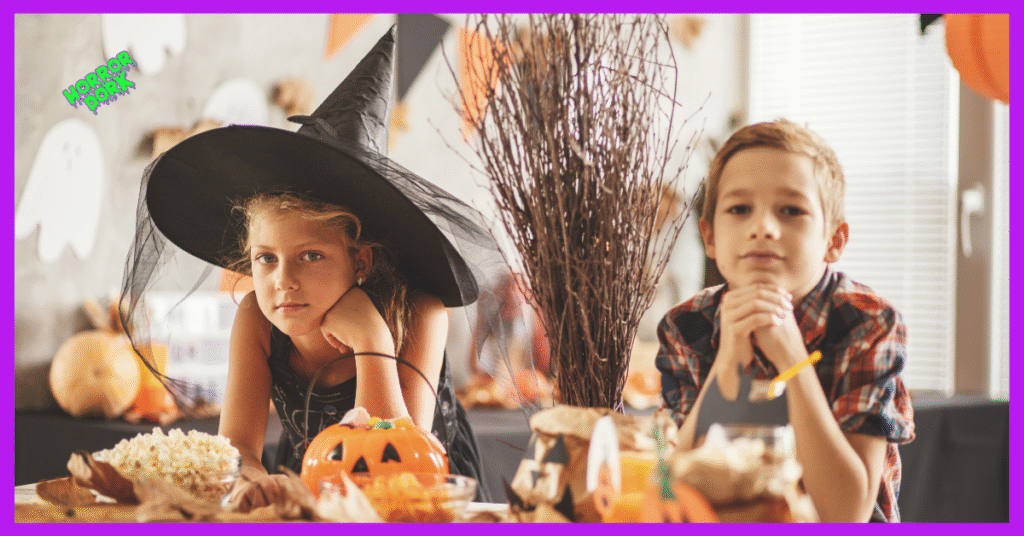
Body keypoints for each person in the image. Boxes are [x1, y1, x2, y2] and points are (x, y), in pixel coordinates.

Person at [120, 27, 506, 509]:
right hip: (311, 483)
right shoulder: (257, 321)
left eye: (311, 256)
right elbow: (238, 447)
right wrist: (249, 479)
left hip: (424, 501)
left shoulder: (422, 311)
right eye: (266, 259)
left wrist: (373, 343)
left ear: (360, 259)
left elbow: (397, 471)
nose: (283, 280)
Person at [655, 119, 915, 522]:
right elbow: (670, 491)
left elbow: (846, 513)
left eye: (791, 210)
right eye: (740, 209)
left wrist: (791, 356)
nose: (763, 228)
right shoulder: (686, 326)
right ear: (709, 237)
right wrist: (726, 368)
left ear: (835, 241)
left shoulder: (868, 322)